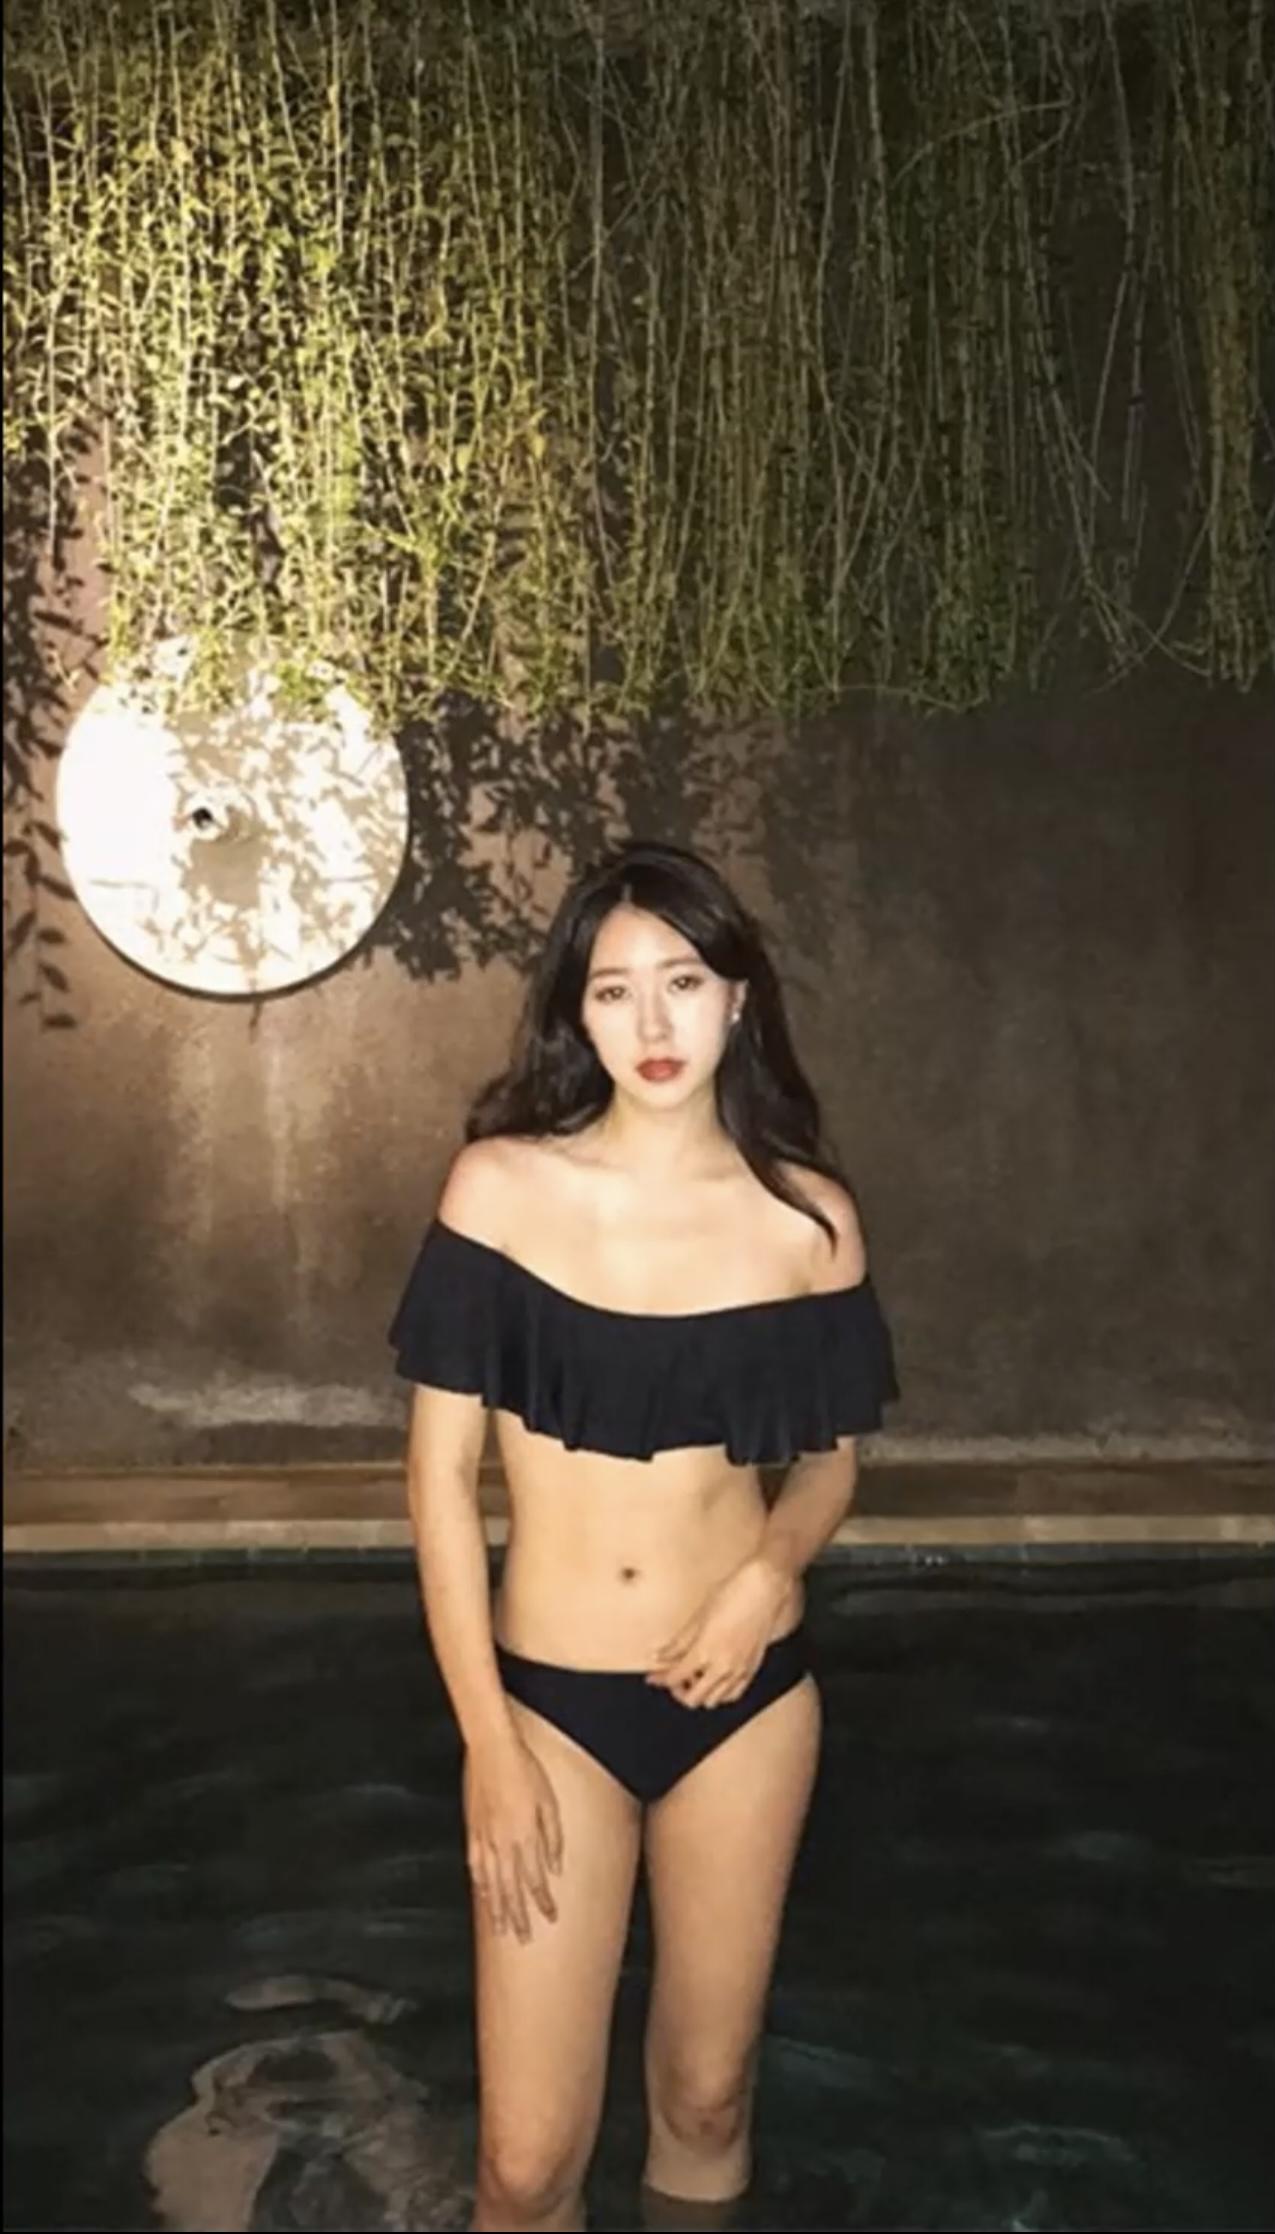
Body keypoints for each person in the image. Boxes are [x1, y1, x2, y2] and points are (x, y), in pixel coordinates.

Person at [389, 838, 898, 2234]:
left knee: (709, 2097)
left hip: (746, 1703)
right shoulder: (500, 1190)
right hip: (547, 1709)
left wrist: (769, 1573)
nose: (653, 1023)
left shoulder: (807, 1222)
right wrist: (489, 1743)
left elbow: (831, 1463)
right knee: (525, 2162)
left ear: (738, 995)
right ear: (579, 1012)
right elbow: (438, 1483)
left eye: (682, 980)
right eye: (614, 990)